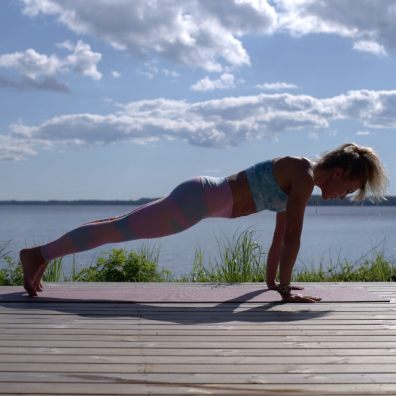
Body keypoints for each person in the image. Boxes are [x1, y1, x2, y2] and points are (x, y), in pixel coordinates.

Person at [20, 143, 388, 301]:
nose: (343, 195)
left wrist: (274, 282)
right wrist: (288, 289)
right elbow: (294, 237)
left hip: (201, 197)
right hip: (200, 201)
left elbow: (280, 238)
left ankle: (41, 255)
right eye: (350, 187)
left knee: (119, 224)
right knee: (119, 229)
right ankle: (39, 255)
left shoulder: (300, 176)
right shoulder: (304, 176)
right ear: (340, 171)